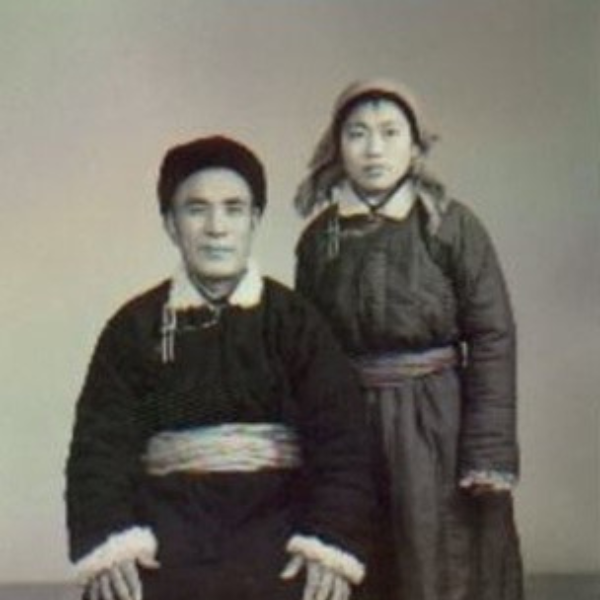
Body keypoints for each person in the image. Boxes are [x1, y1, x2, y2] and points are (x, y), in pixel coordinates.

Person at [65, 135, 374, 600]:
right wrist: (113, 542)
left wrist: (328, 539)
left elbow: (344, 441)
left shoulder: (295, 322)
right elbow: (99, 450)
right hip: (165, 532)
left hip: (280, 526)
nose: (216, 227)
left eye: (233, 209)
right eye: (196, 209)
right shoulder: (134, 328)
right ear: (171, 223)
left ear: (254, 220)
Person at [293, 79, 523, 600]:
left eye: (390, 133)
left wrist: (487, 451)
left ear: (416, 147)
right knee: (359, 559)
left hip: (437, 425)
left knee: (440, 560)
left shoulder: (451, 227)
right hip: (350, 425)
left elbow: (492, 336)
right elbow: (307, 353)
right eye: (358, 134)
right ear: (337, 148)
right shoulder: (320, 240)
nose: (374, 149)